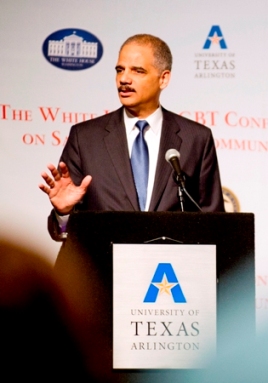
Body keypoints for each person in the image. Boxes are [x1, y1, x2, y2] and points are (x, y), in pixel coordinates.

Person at [39, 34, 224, 241]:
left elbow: (215, 223)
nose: (124, 79)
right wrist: (63, 212)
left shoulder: (196, 139)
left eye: (138, 71)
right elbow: (61, 233)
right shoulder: (85, 138)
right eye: (120, 70)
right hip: (102, 269)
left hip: (169, 271)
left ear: (163, 78)